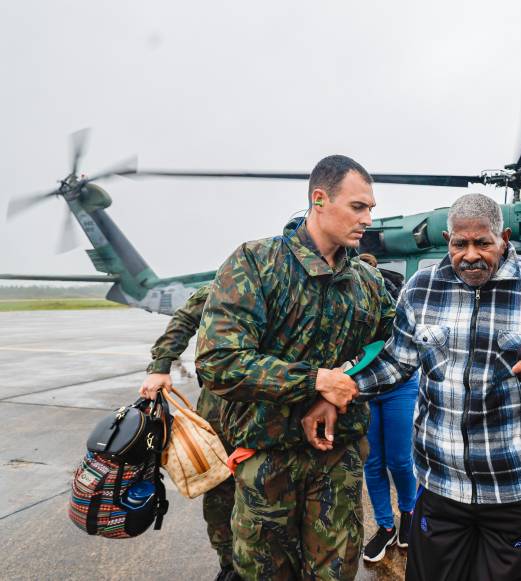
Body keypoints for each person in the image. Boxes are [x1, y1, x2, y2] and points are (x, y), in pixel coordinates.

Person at [304, 193, 521, 581]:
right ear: (447, 239)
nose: (470, 255)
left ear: (504, 237)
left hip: (519, 483)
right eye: (459, 244)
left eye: (483, 243)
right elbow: (397, 360)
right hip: (441, 482)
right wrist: (340, 391)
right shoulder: (420, 288)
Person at [196, 155, 395, 580]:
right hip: (267, 461)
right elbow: (219, 362)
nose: (368, 219)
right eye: (358, 207)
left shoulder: (367, 283)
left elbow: (388, 348)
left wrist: (340, 391)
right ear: (319, 200)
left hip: (337, 461)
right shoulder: (256, 264)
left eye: (371, 208)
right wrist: (316, 382)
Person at [138, 285, 238, 581]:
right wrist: (160, 366)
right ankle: (230, 563)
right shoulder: (235, 274)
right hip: (223, 402)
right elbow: (185, 318)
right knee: (220, 482)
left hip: (278, 405)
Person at [355, 253, 419, 563]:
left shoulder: (394, 296)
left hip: (400, 385)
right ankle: (385, 526)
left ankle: (409, 512)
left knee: (400, 461)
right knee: (373, 462)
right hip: (363, 390)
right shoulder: (344, 303)